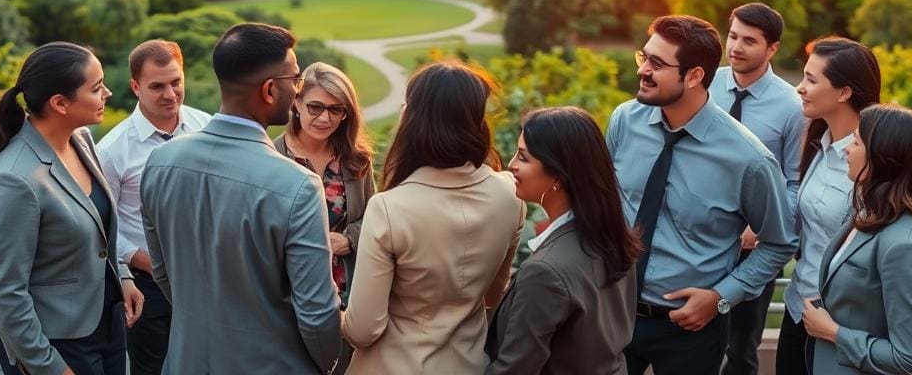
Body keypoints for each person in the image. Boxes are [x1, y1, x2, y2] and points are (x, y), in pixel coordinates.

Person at [139, 23, 341, 374]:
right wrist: (328, 365)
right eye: (294, 81)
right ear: (268, 89)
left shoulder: (160, 162)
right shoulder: (298, 186)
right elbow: (317, 313)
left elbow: (164, 273)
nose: (296, 91)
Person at [606, 15, 796, 375]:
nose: (643, 71)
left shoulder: (749, 160)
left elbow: (779, 243)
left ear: (694, 76)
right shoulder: (623, 121)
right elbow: (608, 204)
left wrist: (721, 298)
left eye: (657, 64)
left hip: (691, 331)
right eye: (643, 58)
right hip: (614, 312)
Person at [342, 61, 525, 374]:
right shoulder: (510, 195)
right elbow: (494, 294)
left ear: (414, 118)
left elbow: (363, 329)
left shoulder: (389, 208)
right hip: (469, 364)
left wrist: (329, 308)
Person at [0, 42, 144, 375]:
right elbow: (3, 292)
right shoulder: (15, 180)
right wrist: (48, 366)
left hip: (107, 324)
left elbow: (99, 226)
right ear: (59, 103)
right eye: (97, 87)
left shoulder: (81, 138)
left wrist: (124, 278)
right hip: (57, 344)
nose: (109, 93)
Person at [485, 106, 641, 375]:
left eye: (523, 157)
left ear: (558, 174)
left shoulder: (545, 272)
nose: (511, 164)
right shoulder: (613, 237)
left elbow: (514, 369)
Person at [96, 40, 211, 375]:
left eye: (176, 82)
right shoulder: (112, 151)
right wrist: (150, 263)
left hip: (209, 277)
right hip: (149, 287)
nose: (170, 94)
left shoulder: (207, 128)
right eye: (157, 86)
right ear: (135, 87)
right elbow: (103, 228)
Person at [802, 104, 912, 374]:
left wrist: (833, 332)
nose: (845, 149)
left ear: (883, 157)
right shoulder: (869, 207)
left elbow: (911, 360)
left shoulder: (906, 246)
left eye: (856, 142)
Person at [778, 36, 881, 375]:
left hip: (840, 326)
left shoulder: (871, 163)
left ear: (843, 92)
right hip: (797, 312)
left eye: (811, 79)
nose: (799, 88)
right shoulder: (817, 145)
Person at [712, 3, 805, 375]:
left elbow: (796, 181)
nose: (736, 47)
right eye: (733, 36)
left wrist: (764, 229)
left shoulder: (793, 107)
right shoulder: (705, 83)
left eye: (749, 41)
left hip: (755, 247)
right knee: (690, 336)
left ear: (772, 49)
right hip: (702, 234)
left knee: (741, 348)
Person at [275, 61, 375, 372]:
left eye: (336, 110)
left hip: (346, 297)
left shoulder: (357, 160)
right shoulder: (273, 157)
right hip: (289, 298)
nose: (324, 118)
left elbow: (377, 219)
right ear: (296, 103)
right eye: (316, 106)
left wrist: (348, 239)